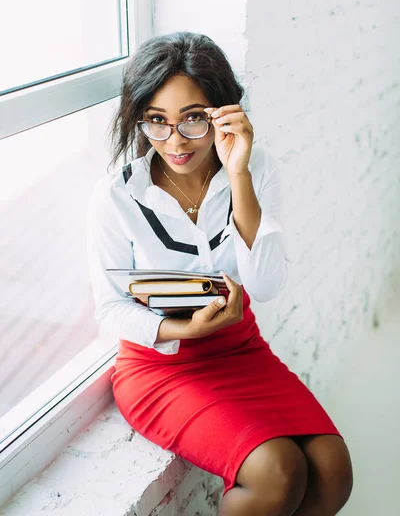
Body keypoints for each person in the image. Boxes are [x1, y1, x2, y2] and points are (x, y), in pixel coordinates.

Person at [86, 31, 353, 516]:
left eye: (192, 119)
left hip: (239, 346)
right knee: (278, 471)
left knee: (333, 470)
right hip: (159, 366)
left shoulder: (254, 169)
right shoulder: (117, 196)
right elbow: (109, 309)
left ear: (223, 112)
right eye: (156, 122)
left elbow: (267, 286)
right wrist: (183, 329)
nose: (174, 141)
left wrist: (238, 174)